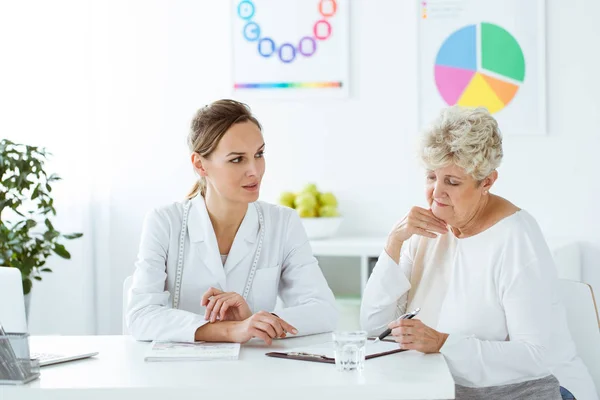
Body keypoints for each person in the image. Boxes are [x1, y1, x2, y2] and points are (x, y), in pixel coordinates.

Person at [360, 106, 597, 400]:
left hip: (538, 389)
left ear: (487, 181)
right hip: (447, 387)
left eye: (453, 182)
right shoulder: (423, 232)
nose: (436, 193)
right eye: (431, 176)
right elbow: (373, 327)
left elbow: (537, 355)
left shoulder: (516, 237)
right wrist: (394, 243)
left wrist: (444, 343)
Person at [126, 99, 337, 345]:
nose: (254, 171)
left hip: (254, 371)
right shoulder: (164, 222)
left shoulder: (283, 222)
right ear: (200, 164)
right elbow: (141, 316)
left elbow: (324, 311)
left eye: (259, 154)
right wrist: (231, 330)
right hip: (179, 373)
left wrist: (259, 322)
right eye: (237, 159)